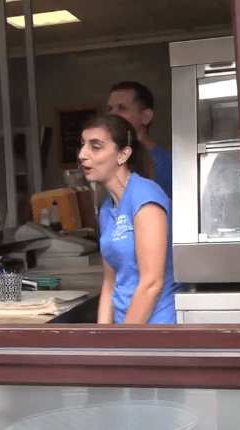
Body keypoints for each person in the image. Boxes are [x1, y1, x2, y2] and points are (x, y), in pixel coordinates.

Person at [78, 114, 179, 324]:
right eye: (83, 145)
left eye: (95, 146)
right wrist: (103, 336)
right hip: (125, 328)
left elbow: (152, 283)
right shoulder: (107, 208)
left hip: (155, 327)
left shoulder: (145, 195)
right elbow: (109, 284)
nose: (82, 155)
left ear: (123, 155)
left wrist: (123, 338)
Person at [107, 81, 171, 198]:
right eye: (110, 109)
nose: (112, 114)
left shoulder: (168, 163)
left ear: (146, 117)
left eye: (122, 108)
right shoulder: (113, 161)